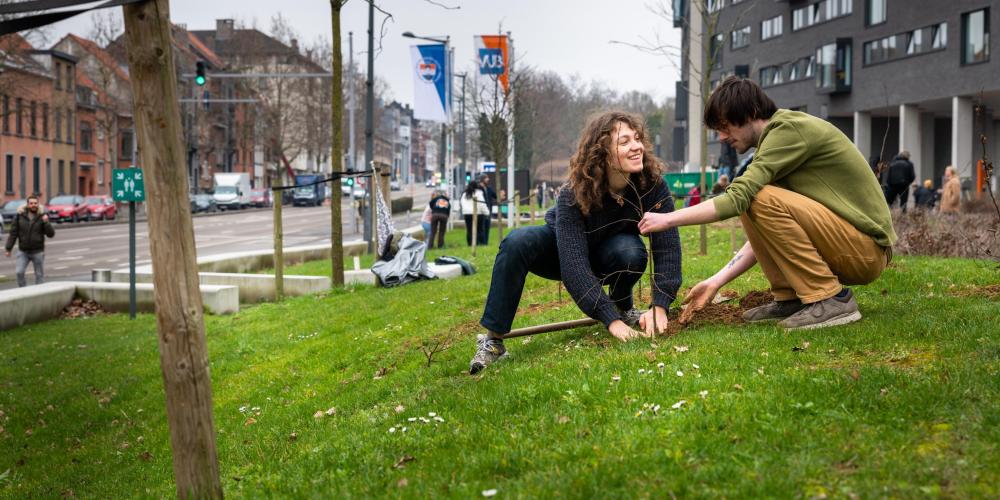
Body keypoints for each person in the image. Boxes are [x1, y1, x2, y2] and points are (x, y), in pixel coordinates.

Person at [639, 77, 895, 331]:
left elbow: (739, 198)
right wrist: (716, 281)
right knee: (754, 197)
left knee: (754, 196)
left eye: (725, 126)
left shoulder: (790, 130)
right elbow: (768, 233)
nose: (721, 137)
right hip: (851, 244)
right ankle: (791, 297)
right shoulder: (774, 144)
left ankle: (830, 300)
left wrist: (668, 219)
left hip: (867, 250)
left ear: (751, 112)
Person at [469, 111, 682, 374]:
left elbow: (668, 245)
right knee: (516, 241)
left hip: (610, 253)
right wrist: (610, 323)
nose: (636, 146)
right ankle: (494, 340)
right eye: (624, 142)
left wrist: (660, 305)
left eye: (637, 139)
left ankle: (624, 307)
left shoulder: (651, 185)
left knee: (629, 249)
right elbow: (574, 267)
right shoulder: (574, 192)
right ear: (602, 151)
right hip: (563, 252)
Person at [4, 195, 56, 287]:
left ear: (38, 204)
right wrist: (8, 249)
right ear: (27, 204)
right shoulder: (20, 216)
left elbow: (51, 234)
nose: (33, 205)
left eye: (35, 203)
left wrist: (46, 222)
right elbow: (13, 234)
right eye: (31, 203)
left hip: (38, 252)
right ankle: (24, 291)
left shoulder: (42, 216)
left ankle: (39, 295)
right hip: (23, 251)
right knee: (19, 272)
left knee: (39, 275)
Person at [460, 181, 487, 246]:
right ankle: (481, 243)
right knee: (480, 230)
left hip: (467, 214)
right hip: (478, 214)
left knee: (469, 230)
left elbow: (462, 203)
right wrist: (486, 212)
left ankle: (470, 244)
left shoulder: (464, 194)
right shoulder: (478, 193)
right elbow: (482, 204)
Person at [478, 174, 497, 245]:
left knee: (487, 227)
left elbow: (495, 196)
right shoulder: (478, 189)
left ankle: (485, 243)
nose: (488, 179)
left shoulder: (489, 188)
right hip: (481, 211)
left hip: (488, 211)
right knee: (481, 228)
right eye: (486, 178)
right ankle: (480, 242)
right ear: (482, 180)